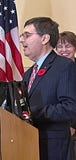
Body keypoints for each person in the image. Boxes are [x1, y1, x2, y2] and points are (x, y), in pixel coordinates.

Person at [20, 17, 76, 160]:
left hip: (54, 149)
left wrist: (34, 112)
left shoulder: (64, 66)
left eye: (27, 35)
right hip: (29, 145)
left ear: (44, 38)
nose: (21, 40)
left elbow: (70, 107)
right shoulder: (28, 73)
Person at [56, 31, 76, 160]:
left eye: (68, 46)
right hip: (59, 128)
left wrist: (74, 125)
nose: (63, 50)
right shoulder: (54, 69)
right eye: (59, 47)